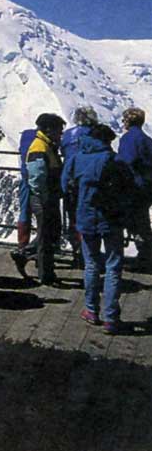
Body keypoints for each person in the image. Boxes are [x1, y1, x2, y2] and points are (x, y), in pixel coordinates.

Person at [62, 124, 134, 334]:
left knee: (91, 263)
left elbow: (66, 186)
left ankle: (91, 310)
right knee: (113, 266)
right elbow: (130, 188)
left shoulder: (76, 157)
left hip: (85, 218)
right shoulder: (115, 160)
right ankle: (111, 317)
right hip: (111, 219)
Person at [11, 113, 66, 285]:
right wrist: (44, 197)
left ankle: (29, 258)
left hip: (46, 197)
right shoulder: (39, 147)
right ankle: (45, 273)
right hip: (44, 198)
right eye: (59, 130)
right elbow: (36, 176)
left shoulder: (45, 145)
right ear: (49, 130)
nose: (60, 134)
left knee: (48, 234)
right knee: (46, 236)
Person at [60, 106, 98, 267]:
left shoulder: (68, 134)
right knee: (90, 216)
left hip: (69, 180)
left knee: (73, 218)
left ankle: (77, 251)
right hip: (89, 180)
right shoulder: (94, 134)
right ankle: (89, 253)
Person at [116, 107, 152, 272]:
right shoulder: (147, 139)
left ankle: (138, 257)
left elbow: (124, 162)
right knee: (142, 222)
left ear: (128, 121)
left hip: (131, 187)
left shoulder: (128, 139)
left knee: (128, 222)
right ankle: (145, 255)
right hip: (146, 187)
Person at [16, 127, 37, 249]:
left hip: (25, 177)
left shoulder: (26, 136)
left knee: (24, 211)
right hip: (40, 180)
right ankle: (41, 246)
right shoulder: (41, 140)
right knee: (43, 213)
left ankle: (22, 245)